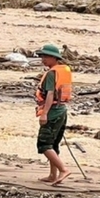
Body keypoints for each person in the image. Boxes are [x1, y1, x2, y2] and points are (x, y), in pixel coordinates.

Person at [35, 43, 72, 185]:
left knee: (44, 144)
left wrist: (44, 114)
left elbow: (50, 94)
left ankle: (63, 169)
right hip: (61, 110)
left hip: (53, 112)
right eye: (42, 56)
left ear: (54, 58)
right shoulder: (62, 71)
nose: (42, 59)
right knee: (54, 144)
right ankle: (52, 175)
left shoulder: (51, 74)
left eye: (45, 56)